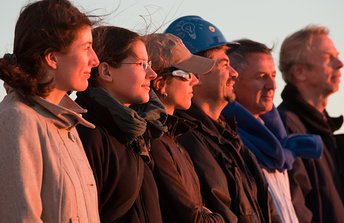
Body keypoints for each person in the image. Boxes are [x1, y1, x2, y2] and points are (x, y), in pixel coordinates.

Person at [165, 15, 281, 223]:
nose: (234, 73)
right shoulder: (183, 138)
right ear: (194, 73)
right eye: (224, 64)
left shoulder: (229, 137)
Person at [0, 0, 100, 222]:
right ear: (52, 57)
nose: (95, 60)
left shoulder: (68, 125)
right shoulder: (17, 120)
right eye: (86, 48)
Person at [222, 39, 323, 223]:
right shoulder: (230, 140)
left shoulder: (281, 142)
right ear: (233, 80)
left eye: (273, 75)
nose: (272, 85)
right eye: (261, 76)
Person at [75, 26, 166, 223]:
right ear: (106, 71)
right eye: (141, 64)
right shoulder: (87, 133)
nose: (152, 73)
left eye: (148, 64)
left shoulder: (137, 130)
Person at [144, 33, 224, 222]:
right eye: (186, 74)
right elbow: (192, 217)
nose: (195, 80)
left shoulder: (173, 137)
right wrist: (219, 219)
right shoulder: (156, 142)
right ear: (160, 83)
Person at [277, 25, 344, 223]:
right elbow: (294, 208)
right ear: (300, 72)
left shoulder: (323, 128)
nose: (340, 64)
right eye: (329, 58)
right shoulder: (286, 128)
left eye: (337, 56)